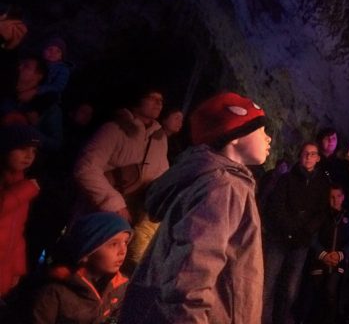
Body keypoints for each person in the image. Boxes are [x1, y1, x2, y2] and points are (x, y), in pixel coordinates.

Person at [118, 90, 271, 323]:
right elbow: (191, 276)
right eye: (261, 130)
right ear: (235, 136)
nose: (269, 138)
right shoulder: (224, 186)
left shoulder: (215, 180)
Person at [73, 89, 169, 273]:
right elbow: (86, 168)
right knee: (85, 264)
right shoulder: (114, 129)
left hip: (133, 217)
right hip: (101, 214)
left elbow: (161, 175)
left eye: (161, 100)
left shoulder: (159, 138)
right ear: (137, 100)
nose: (158, 103)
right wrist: (114, 203)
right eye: (152, 98)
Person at [261, 141, 330, 324]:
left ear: (318, 158)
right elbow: (277, 206)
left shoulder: (322, 183)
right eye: (305, 153)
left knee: (291, 288)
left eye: (312, 153)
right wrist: (291, 227)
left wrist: (305, 230)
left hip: (301, 241)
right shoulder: (286, 179)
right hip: (280, 238)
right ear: (300, 156)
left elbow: (321, 211)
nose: (308, 156)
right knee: (269, 284)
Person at [30, 212, 131, 324]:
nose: (123, 251)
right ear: (87, 253)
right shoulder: (55, 292)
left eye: (126, 242)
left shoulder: (119, 287)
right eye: (114, 244)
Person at [305, 183, 349, 324]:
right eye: (332, 197)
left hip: (338, 262)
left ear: (343, 197)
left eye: (338, 196)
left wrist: (340, 254)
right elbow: (313, 237)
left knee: (331, 291)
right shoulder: (322, 215)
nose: (335, 200)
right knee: (316, 293)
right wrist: (323, 254)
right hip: (320, 260)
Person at [0, 124, 41, 299]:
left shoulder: (20, 181)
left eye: (33, 151)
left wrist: (16, 269)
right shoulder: (23, 187)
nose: (29, 156)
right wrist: (25, 190)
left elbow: (17, 231)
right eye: (23, 149)